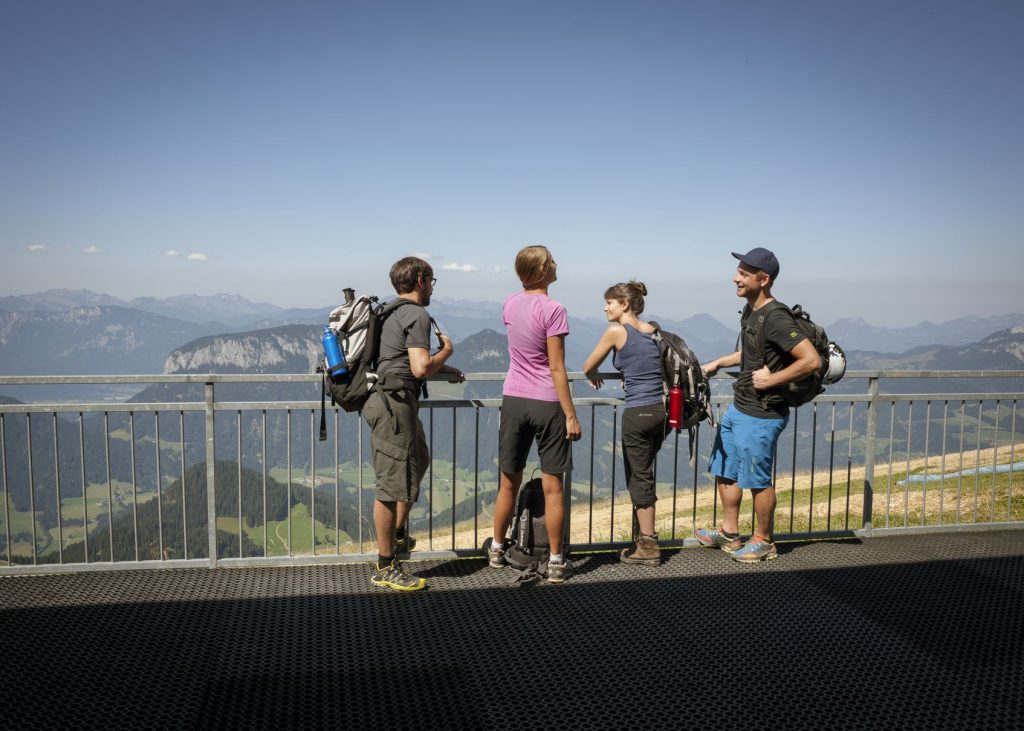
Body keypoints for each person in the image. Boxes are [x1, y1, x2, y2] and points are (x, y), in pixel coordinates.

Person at [698, 247, 820, 562]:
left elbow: (811, 360)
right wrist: (717, 363)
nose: (735, 277)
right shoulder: (751, 311)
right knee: (725, 469)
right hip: (740, 407)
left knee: (757, 479)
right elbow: (752, 354)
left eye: (743, 273)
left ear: (763, 279)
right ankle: (728, 533)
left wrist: (772, 380)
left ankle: (764, 541)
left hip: (763, 413)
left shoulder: (776, 316)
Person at [364, 256, 464, 591]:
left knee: (417, 461)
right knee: (391, 485)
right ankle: (385, 565)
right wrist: (446, 353)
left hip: (392, 401)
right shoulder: (417, 314)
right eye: (432, 280)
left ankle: (398, 535)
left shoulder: (390, 310)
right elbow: (420, 367)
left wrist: (447, 371)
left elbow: (401, 360)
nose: (432, 287)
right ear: (421, 279)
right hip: (393, 405)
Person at [488, 245, 582, 583]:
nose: (557, 264)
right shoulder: (555, 309)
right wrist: (570, 414)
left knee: (507, 483)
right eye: (552, 260)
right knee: (553, 487)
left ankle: (497, 548)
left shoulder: (510, 304)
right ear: (541, 271)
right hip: (546, 401)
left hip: (513, 397)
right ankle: (556, 560)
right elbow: (556, 367)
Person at [582, 280, 666, 566]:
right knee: (646, 471)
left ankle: (648, 545)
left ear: (625, 304)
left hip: (638, 412)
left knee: (639, 477)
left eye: (610, 302)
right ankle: (643, 538)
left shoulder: (617, 331)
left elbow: (587, 365)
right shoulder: (653, 330)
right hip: (661, 411)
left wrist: (593, 373)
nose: (605, 307)